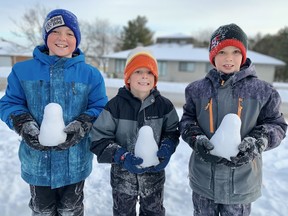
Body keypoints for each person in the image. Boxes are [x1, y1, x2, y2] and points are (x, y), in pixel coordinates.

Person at [0, 9, 108, 215]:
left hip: (75, 162)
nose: (62, 38)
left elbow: (100, 107)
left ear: (76, 39)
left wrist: (84, 123)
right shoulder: (22, 71)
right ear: (45, 36)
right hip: (37, 163)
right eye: (56, 32)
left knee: (71, 210)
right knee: (42, 210)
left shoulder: (91, 74)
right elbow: (9, 103)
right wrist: (22, 123)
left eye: (69, 33)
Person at [179, 23, 287, 216]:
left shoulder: (263, 91)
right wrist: (195, 138)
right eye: (222, 52)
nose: (229, 57)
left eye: (236, 51)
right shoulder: (196, 90)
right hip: (204, 180)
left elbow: (277, 125)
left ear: (243, 55)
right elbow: (187, 120)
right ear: (213, 56)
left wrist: (258, 141)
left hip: (241, 182)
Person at [90, 47, 180, 216]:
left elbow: (172, 132)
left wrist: (167, 147)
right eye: (138, 71)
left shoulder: (164, 106)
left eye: (149, 72)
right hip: (123, 179)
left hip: (154, 177)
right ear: (128, 77)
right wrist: (121, 156)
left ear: (155, 78)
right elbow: (98, 138)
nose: (144, 76)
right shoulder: (115, 106)